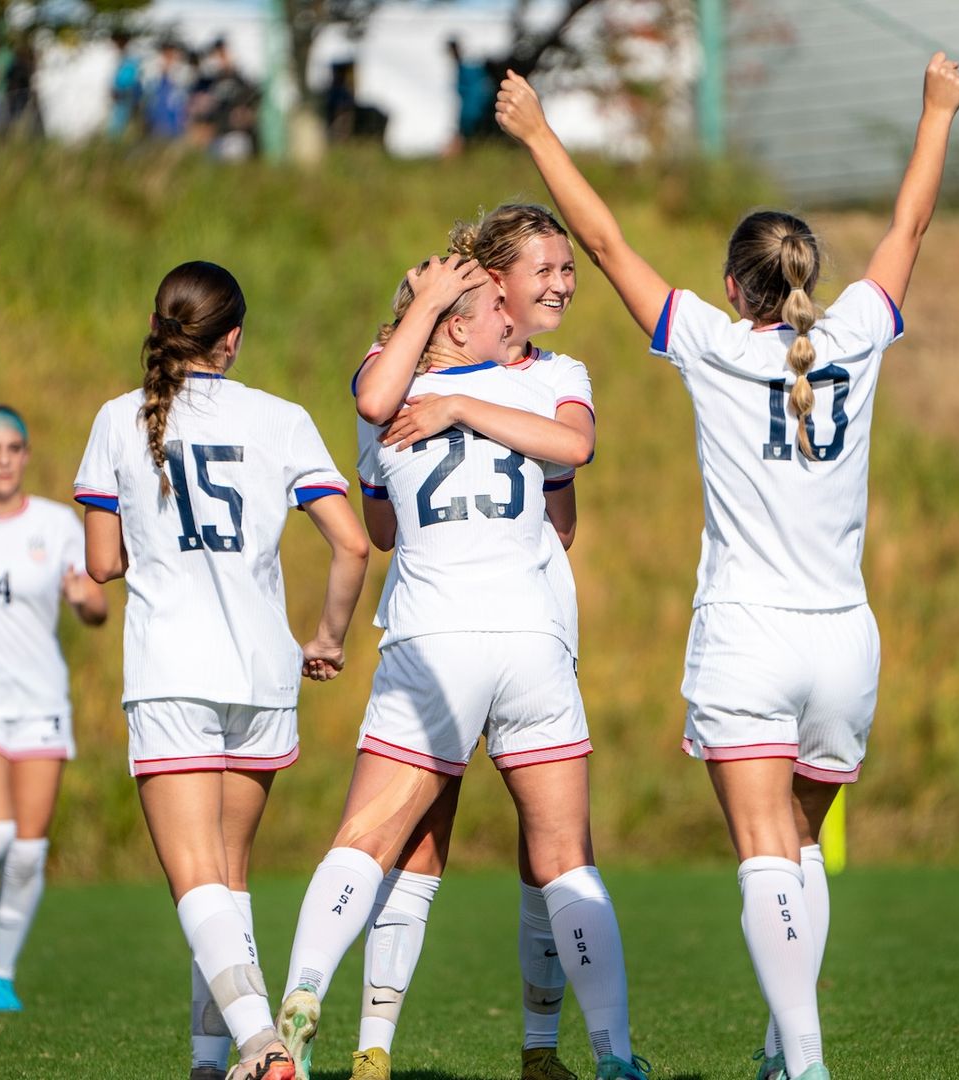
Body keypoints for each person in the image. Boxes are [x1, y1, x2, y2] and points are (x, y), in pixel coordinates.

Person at [494, 54, 959, 1080]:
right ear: (808, 280)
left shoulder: (711, 342)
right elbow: (909, 228)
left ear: (730, 287)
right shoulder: (856, 333)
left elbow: (607, 241)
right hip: (846, 637)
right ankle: (776, 1053)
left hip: (750, 634)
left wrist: (536, 133)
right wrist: (936, 112)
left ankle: (804, 1062)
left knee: (764, 853)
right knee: (801, 850)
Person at [277, 267, 647, 1080]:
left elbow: (379, 527)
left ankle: (296, 1014)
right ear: (454, 324)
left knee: (369, 840)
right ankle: (616, 1057)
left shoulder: (386, 383)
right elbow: (565, 511)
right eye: (497, 314)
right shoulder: (538, 393)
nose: (514, 321)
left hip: (434, 639)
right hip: (530, 642)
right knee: (565, 861)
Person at [74, 261, 369, 1080]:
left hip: (172, 668)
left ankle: (259, 1046)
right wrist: (329, 638)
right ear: (233, 338)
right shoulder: (282, 418)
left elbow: (102, 565)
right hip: (263, 672)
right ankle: (212, 1063)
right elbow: (351, 543)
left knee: (196, 881)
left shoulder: (117, 419)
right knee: (229, 883)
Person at [347, 204, 596, 1080]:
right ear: (495, 286)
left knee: (550, 852)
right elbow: (384, 521)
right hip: (453, 627)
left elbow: (564, 503)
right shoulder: (411, 372)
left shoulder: (560, 373)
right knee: (419, 840)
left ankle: (541, 1049)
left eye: (569, 271)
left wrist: (464, 416)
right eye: (544, 272)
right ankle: (375, 1046)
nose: (562, 285)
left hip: (533, 633)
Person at [0, 404, 107, 1012]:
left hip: (41, 703)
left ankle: (0, 974)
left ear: (25, 455)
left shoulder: (56, 526)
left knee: (27, 850)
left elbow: (96, 606)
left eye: (12, 448)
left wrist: (85, 599)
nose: (2, 459)